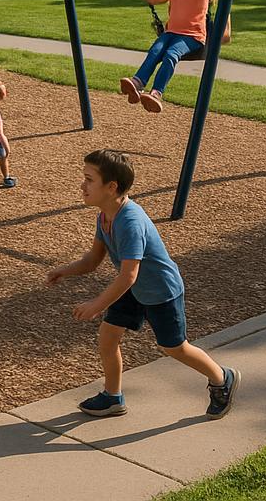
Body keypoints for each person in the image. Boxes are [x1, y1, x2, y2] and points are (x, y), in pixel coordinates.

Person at [46, 149, 240, 420]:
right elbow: (93, 260)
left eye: (89, 179)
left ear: (111, 187)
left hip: (160, 291)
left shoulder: (130, 222)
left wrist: (96, 305)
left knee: (175, 347)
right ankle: (113, 397)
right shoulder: (105, 215)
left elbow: (128, 275)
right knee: (108, 337)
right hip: (133, 290)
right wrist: (64, 271)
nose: (82, 185)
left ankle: (222, 378)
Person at [120, 0, 230, 114]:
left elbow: (198, 3)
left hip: (192, 37)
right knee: (155, 51)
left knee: (171, 54)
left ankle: (156, 93)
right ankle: (137, 84)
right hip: (170, 33)